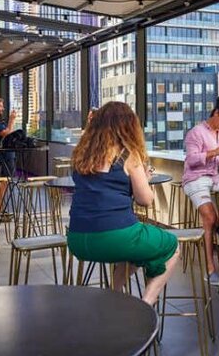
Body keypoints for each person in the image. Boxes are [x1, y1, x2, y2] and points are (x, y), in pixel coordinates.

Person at [67, 101, 180, 306]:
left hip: (77, 239)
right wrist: (142, 178)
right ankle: (146, 304)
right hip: (114, 238)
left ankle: (115, 295)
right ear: (129, 126)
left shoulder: (81, 155)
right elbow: (145, 200)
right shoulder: (128, 155)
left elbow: (103, 187)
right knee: (172, 245)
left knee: (132, 251)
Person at [183, 96, 219, 287]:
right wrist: (215, 152)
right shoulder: (196, 132)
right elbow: (192, 159)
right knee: (209, 220)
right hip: (195, 179)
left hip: (213, 177)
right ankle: (210, 269)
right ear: (216, 114)